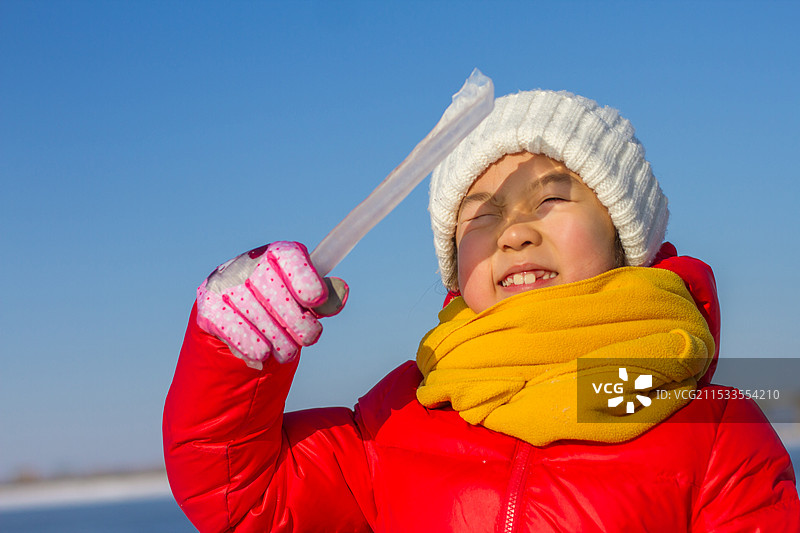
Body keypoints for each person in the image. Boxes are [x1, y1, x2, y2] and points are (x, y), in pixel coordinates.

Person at [163, 90, 800, 532]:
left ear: (624, 234)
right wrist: (234, 352)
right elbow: (242, 498)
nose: (514, 233)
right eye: (482, 215)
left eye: (550, 199)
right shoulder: (407, 413)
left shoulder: (712, 428)